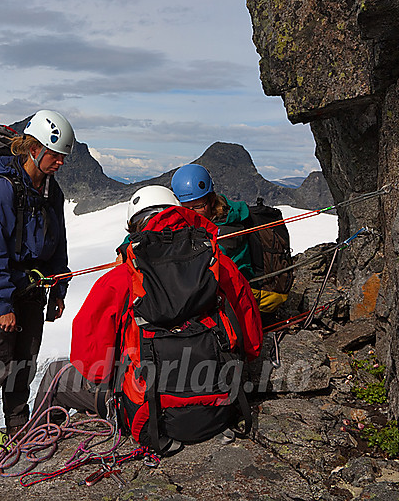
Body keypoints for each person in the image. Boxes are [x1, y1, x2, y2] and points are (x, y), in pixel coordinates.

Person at [33, 185, 262, 445]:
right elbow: (252, 345)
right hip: (219, 407)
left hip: (147, 416)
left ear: (137, 227)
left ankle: (32, 449)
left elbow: (92, 365)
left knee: (55, 375)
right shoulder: (220, 266)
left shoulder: (122, 279)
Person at [0, 109, 74, 442]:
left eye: (62, 158)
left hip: (33, 290)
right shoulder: (1, 191)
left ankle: (17, 430)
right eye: (55, 156)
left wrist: (58, 290)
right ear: (34, 148)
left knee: (23, 364)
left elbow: (57, 244)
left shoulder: (50, 191)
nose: (59, 163)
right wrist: (1, 303)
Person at [170, 163, 254, 281]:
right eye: (185, 208)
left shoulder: (229, 228)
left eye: (198, 206)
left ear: (212, 200)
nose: (191, 214)